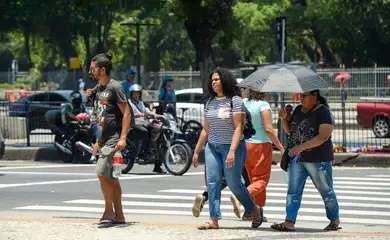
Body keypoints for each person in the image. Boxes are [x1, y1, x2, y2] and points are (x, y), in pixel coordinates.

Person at [192, 68, 263, 230]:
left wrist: (231, 151)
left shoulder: (235, 101)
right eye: (212, 81)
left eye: (216, 79)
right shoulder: (210, 102)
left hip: (233, 148)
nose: (214, 82)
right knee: (213, 182)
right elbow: (205, 129)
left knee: (234, 183)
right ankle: (214, 220)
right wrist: (196, 151)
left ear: (224, 80)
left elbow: (238, 128)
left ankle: (254, 209)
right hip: (212, 146)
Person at [271, 90, 341, 232]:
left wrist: (301, 147)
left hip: (318, 160)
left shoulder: (323, 112)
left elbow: (323, 136)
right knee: (293, 191)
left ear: (314, 97)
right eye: (300, 96)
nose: (301, 98)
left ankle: (334, 220)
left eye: (304, 96)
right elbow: (291, 131)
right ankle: (289, 222)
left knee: (326, 191)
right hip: (298, 160)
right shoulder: (298, 110)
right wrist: (284, 119)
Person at [88, 52, 131, 225]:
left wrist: (123, 137)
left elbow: (126, 112)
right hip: (104, 138)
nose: (91, 72)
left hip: (114, 138)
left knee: (100, 172)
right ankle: (119, 215)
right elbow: (101, 115)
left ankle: (108, 211)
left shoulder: (115, 87)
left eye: (93, 69)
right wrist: (98, 141)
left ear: (103, 70)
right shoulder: (99, 88)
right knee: (112, 177)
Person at [231, 87, 284, 221]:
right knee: (261, 180)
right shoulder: (263, 105)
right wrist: (280, 147)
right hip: (261, 146)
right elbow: (268, 129)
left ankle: (258, 211)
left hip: (245, 145)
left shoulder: (243, 103)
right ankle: (240, 197)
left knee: (255, 180)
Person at [128, 84, 164, 173]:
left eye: (137, 94)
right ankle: (141, 154)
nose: (136, 95)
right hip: (134, 124)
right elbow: (129, 114)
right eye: (134, 94)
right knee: (144, 132)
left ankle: (157, 165)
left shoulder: (140, 103)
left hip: (143, 123)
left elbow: (147, 111)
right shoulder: (129, 103)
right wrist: (140, 115)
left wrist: (156, 115)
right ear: (131, 94)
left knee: (158, 134)